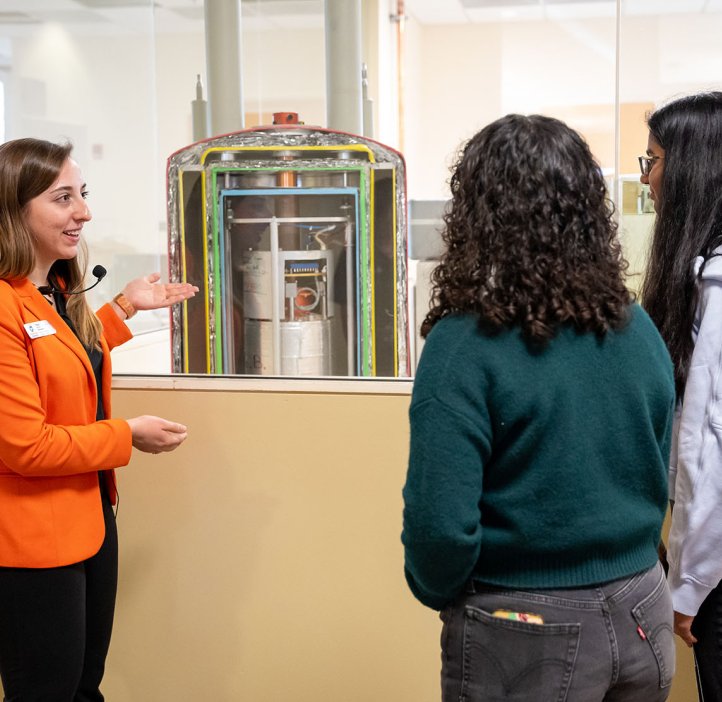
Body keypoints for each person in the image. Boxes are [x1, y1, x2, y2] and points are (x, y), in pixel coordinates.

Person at [401, 114, 677, 701]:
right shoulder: (635, 326)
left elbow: (440, 526)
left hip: (524, 627)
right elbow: (658, 465)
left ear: (477, 215)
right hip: (644, 609)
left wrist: (440, 589)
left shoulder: (463, 344)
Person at [0, 137, 198, 701]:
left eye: (82, 195)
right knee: (47, 691)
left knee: (85, 687)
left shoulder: (54, 289)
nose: (83, 212)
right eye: (63, 198)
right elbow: (26, 447)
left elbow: (66, 360)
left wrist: (126, 308)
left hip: (91, 521)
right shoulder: (3, 305)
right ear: (16, 210)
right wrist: (127, 435)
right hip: (31, 543)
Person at [639, 91, 722, 702]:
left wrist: (689, 582)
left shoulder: (716, 283)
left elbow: (706, 448)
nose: (646, 179)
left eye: (653, 160)